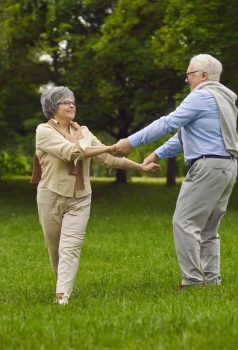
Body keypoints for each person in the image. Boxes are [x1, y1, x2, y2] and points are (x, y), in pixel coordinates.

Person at [114, 54, 238, 289]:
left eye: (189, 74)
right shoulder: (224, 100)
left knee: (184, 223)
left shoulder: (201, 96)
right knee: (209, 229)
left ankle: (192, 282)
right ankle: (212, 282)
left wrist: (130, 142)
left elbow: (167, 123)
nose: (186, 80)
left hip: (208, 166)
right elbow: (186, 134)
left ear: (204, 75)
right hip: (227, 166)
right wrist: (158, 153)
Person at [31, 86, 161, 304]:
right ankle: (62, 284)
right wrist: (106, 147)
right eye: (66, 102)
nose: (72, 105)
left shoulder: (84, 131)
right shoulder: (44, 132)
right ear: (54, 108)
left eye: (73, 101)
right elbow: (71, 152)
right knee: (54, 249)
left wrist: (140, 167)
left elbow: (108, 159)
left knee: (70, 247)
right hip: (51, 196)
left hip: (81, 198)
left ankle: (62, 296)